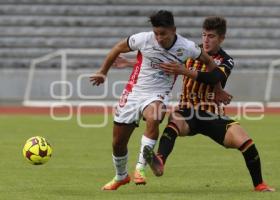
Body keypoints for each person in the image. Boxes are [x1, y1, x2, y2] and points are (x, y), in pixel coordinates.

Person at [90, 10, 230, 190]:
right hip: (134, 92)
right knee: (118, 144)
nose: (159, 38)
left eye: (163, 34)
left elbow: (210, 63)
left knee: (154, 117)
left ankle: (140, 169)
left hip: (158, 93)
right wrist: (103, 72)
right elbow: (118, 48)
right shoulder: (143, 39)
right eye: (156, 33)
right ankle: (121, 176)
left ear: (174, 30)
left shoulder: (186, 47)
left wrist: (218, 90)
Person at [140, 16, 275, 192]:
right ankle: (160, 161)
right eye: (204, 35)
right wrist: (129, 63)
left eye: (211, 36)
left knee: (246, 142)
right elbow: (160, 63)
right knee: (175, 119)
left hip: (212, 114)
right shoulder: (190, 51)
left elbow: (214, 77)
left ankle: (259, 185)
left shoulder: (226, 60)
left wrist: (184, 71)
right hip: (188, 110)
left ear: (221, 39)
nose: (205, 40)